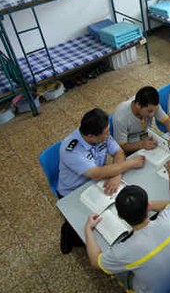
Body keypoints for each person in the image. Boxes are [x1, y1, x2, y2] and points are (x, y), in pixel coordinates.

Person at [58, 108, 146, 254]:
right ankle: (68, 233)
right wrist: (129, 164)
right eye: (105, 133)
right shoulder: (71, 149)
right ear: (91, 136)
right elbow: (96, 173)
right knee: (81, 224)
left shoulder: (102, 132)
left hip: (97, 182)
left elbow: (118, 152)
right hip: (73, 191)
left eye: (108, 130)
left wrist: (116, 175)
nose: (109, 135)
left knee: (110, 210)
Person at [85, 185, 170, 293]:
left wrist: (88, 229)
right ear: (148, 206)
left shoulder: (123, 251)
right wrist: (144, 205)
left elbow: (95, 261)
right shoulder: (168, 220)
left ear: (120, 216)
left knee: (120, 272)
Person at [113, 86, 170, 154]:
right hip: (131, 146)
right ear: (138, 105)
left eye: (155, 110)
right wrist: (141, 145)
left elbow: (167, 121)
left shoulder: (152, 106)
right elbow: (121, 146)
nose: (152, 114)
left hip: (146, 138)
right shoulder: (121, 117)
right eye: (149, 111)